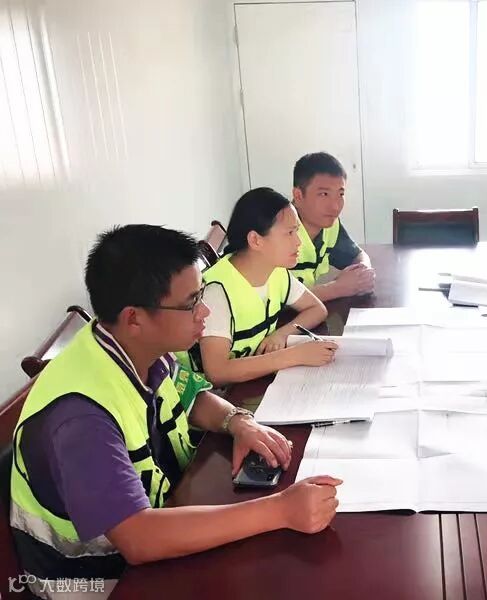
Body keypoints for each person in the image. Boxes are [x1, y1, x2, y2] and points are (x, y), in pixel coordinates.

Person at [10, 225, 342, 599]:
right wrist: (280, 510)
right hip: (97, 580)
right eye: (191, 303)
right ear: (134, 318)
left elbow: (190, 396)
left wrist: (237, 421)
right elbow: (139, 539)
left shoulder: (135, 347)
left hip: (164, 520)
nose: (205, 312)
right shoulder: (79, 419)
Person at [186, 187, 338, 386]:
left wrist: (281, 334)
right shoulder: (216, 291)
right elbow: (217, 372)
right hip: (209, 395)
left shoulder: (276, 271)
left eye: (296, 232)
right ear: (255, 240)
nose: (298, 242)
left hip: (248, 384)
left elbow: (317, 309)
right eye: (289, 233)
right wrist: (295, 355)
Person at [291, 152, 375, 300]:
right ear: (298, 195)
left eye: (340, 194)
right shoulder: (277, 229)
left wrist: (363, 273)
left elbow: (357, 255)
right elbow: (280, 302)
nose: (335, 207)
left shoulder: (330, 226)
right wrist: (337, 288)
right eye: (324, 194)